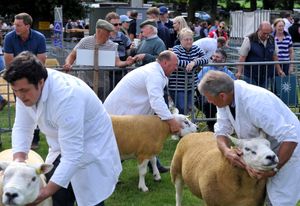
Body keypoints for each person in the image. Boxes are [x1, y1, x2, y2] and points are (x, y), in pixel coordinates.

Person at [3, 51, 122, 206]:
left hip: (91, 147)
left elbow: (73, 155)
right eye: (15, 91)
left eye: (24, 91)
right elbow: (22, 126)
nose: (19, 96)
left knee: (89, 200)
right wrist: (18, 161)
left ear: (40, 82)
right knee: (59, 197)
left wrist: (42, 195)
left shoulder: (67, 96)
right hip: (61, 145)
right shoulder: (24, 89)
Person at [198, 70, 300, 206]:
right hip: (263, 150)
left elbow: (290, 137)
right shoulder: (226, 99)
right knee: (260, 196)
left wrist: (275, 169)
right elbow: (221, 130)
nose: (208, 101)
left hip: (288, 149)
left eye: (208, 97)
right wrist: (226, 151)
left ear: (222, 95)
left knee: (278, 200)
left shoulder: (256, 103)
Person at [103, 50, 182, 173]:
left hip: (126, 112)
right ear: (165, 63)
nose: (176, 68)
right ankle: (106, 175)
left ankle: (154, 166)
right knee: (116, 145)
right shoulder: (154, 74)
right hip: (119, 113)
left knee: (131, 142)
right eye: (175, 65)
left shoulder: (156, 72)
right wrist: (172, 121)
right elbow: (156, 101)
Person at [3, 12, 47, 149]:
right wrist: (20, 78)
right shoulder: (9, 38)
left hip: (35, 78)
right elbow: (8, 61)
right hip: (18, 78)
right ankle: (22, 142)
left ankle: (35, 138)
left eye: (18, 25)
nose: (14, 27)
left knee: (38, 107)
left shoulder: (39, 38)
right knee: (23, 108)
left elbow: (41, 60)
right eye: (14, 24)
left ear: (27, 26)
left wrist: (30, 77)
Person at [63, 19, 135, 100]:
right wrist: (68, 63)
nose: (109, 35)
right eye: (107, 32)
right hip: (84, 82)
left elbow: (117, 63)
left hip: (102, 84)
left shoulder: (112, 46)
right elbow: (72, 55)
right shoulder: (85, 41)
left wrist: (127, 62)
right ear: (99, 31)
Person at [195, 49, 236, 131]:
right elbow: (197, 83)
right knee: (209, 104)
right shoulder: (205, 69)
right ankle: (211, 127)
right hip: (206, 98)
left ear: (223, 59)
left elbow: (234, 87)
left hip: (223, 98)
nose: (214, 58)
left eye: (217, 57)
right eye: (213, 56)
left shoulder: (228, 73)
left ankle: (232, 126)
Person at [170, 28, 208, 114]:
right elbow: (176, 61)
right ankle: (180, 126)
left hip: (191, 85)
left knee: (189, 108)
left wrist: (194, 62)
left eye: (191, 39)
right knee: (182, 109)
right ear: (181, 40)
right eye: (186, 39)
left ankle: (188, 125)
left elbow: (206, 59)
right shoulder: (176, 49)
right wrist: (189, 63)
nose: (189, 41)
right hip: (177, 86)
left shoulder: (196, 48)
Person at [236, 21, 285, 89]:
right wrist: (239, 72)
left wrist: (279, 70)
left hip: (266, 75)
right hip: (250, 75)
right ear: (259, 30)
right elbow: (242, 57)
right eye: (264, 33)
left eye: (268, 33)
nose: (266, 36)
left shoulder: (272, 39)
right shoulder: (249, 39)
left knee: (263, 96)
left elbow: (275, 56)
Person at [105, 12, 132, 89]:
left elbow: (129, 48)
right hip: (106, 68)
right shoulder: (104, 36)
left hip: (121, 67)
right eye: (115, 24)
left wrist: (131, 52)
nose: (118, 26)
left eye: (120, 24)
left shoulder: (122, 35)